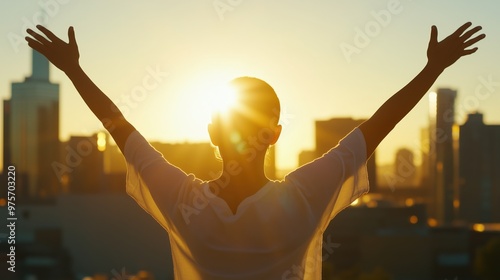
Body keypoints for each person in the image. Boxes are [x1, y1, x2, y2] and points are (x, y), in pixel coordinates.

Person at [26, 22, 485, 280]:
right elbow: (376, 128)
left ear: (211, 132)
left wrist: (73, 70)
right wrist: (431, 70)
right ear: (277, 134)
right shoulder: (303, 197)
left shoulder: (184, 203)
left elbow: (120, 129)